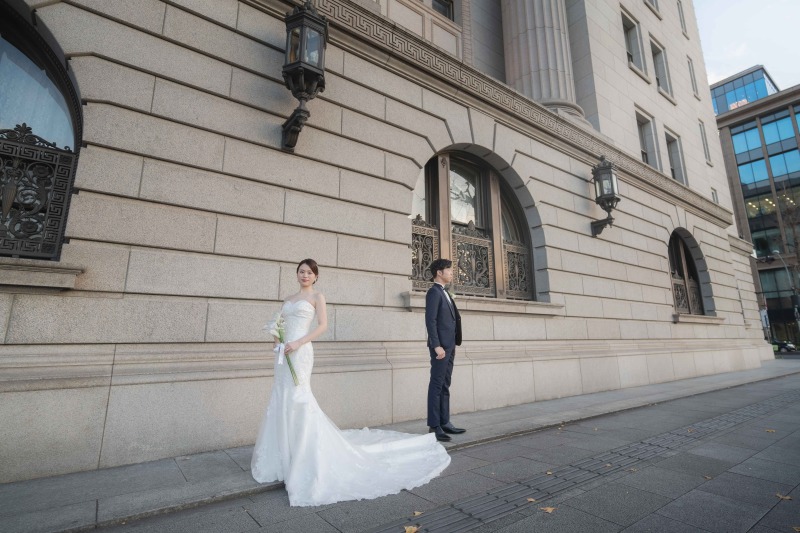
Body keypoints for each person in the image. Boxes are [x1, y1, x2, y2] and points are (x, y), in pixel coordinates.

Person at [251, 259, 451, 507]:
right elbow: (277, 326)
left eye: (309, 272)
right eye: (301, 271)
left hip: (301, 352)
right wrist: (278, 343)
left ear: (315, 277)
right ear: (297, 274)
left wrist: (298, 343)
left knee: (299, 397)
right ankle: (282, 457)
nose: (305, 275)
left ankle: (304, 455)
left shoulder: (317, 297)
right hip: (284, 354)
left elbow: (322, 326)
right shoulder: (288, 300)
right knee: (281, 396)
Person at [425, 258, 466, 442]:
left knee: (445, 384)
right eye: (449, 270)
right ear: (439, 273)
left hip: (450, 346)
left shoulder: (446, 293)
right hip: (440, 347)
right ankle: (434, 426)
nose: (451, 273)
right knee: (436, 384)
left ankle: (445, 421)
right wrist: (436, 345)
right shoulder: (434, 293)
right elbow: (430, 321)